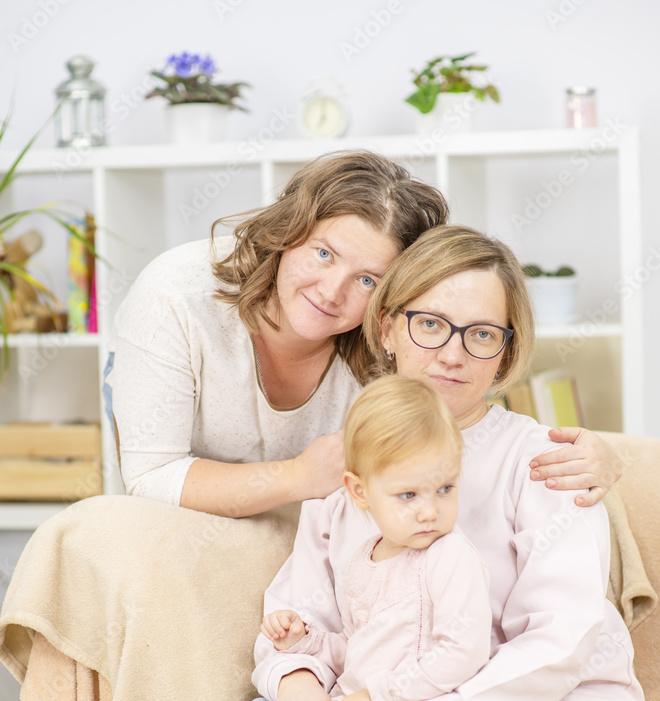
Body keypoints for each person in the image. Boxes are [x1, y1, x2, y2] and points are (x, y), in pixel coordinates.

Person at [172, 224, 652, 701]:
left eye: (481, 334)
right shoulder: (353, 464)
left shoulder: (546, 461)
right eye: (429, 323)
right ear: (388, 327)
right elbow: (299, 607)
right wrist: (295, 678)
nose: (452, 352)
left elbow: (560, 647)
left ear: (505, 350)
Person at [98, 376, 492, 701]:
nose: (431, 510)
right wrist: (306, 640)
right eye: (408, 494)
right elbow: (358, 646)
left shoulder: (448, 557)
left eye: (445, 488)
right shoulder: (366, 558)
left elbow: (462, 653)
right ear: (360, 493)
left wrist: (374, 698)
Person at [110, 149, 619, 516]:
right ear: (288, 234)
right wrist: (297, 477)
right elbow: (150, 476)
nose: (332, 292)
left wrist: (606, 457)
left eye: (368, 279)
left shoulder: (394, 343)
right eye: (324, 253)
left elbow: (471, 430)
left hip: (325, 553)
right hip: (188, 526)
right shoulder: (176, 295)